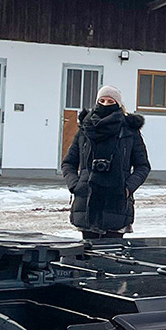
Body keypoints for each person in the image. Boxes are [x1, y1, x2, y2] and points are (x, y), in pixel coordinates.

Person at [61, 85, 150, 238]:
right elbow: (68, 163)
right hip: (86, 200)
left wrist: (127, 188)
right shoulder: (85, 129)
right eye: (101, 100)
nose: (105, 104)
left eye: (110, 101)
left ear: (118, 104)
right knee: (87, 255)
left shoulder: (129, 131)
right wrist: (75, 185)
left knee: (111, 255)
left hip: (116, 202)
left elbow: (143, 166)